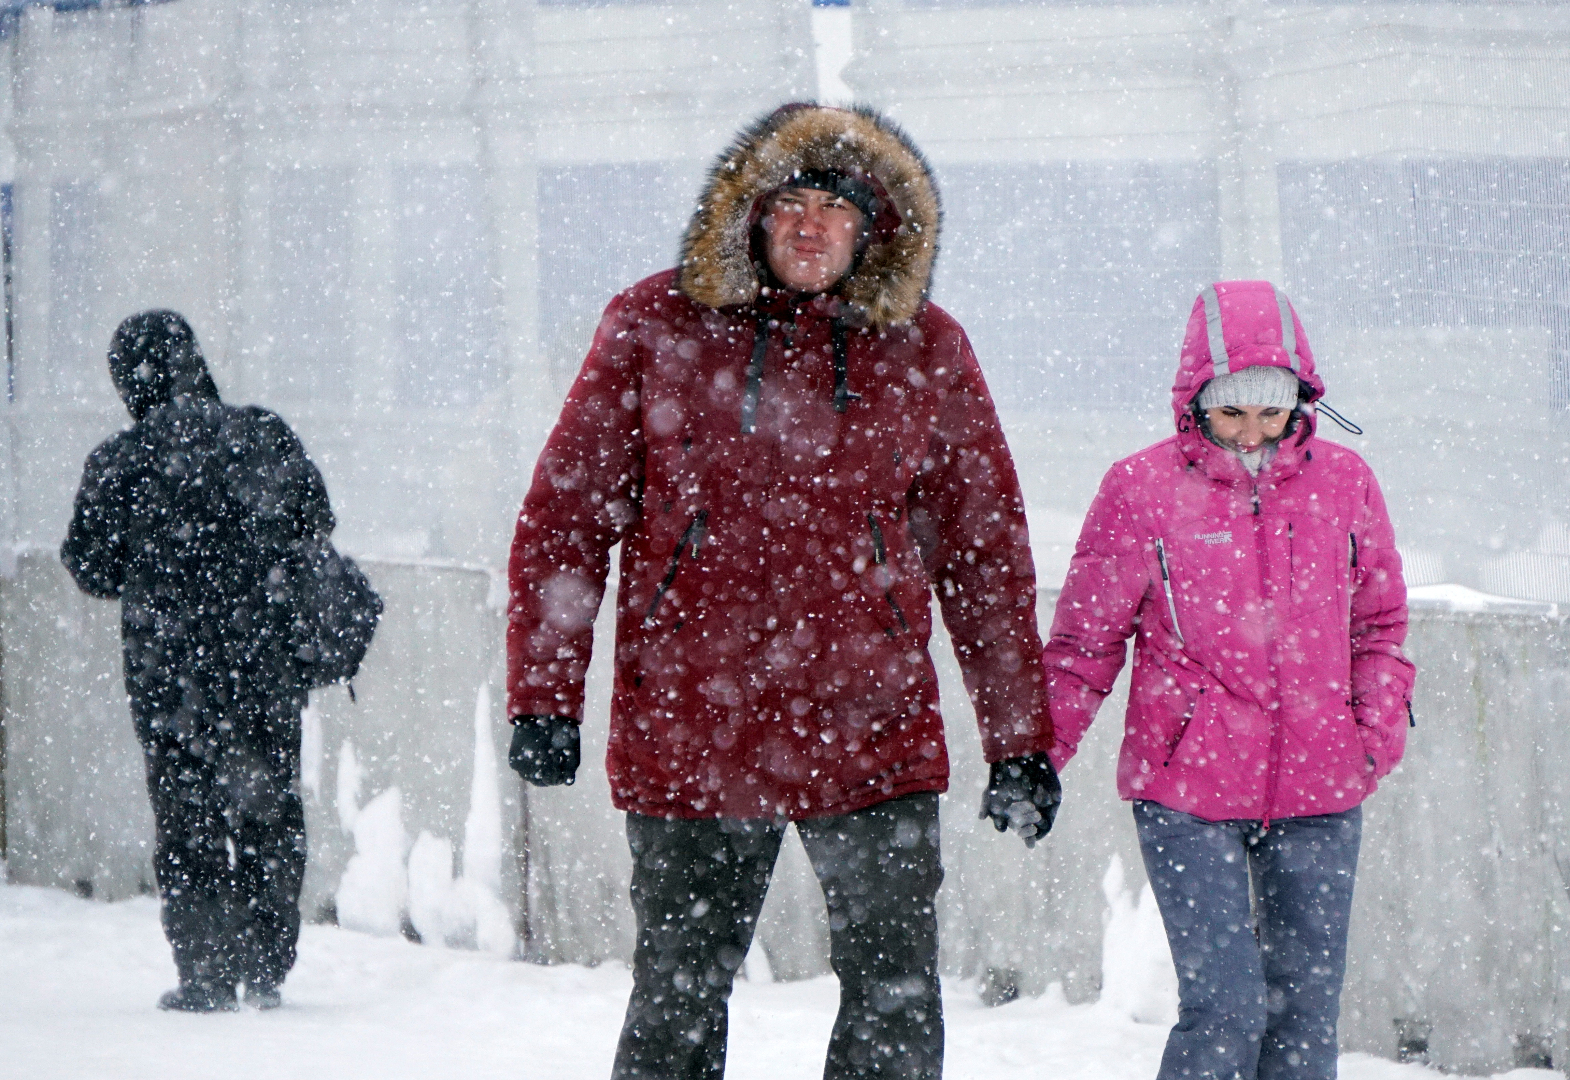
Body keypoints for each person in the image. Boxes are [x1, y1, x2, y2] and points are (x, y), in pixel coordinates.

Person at [502, 102, 1062, 1080]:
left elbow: (982, 554)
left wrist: (1018, 740)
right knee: (677, 995)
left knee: (894, 996)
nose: (812, 227)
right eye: (792, 203)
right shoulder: (655, 325)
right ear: (750, 213)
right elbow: (567, 519)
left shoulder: (925, 348)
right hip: (693, 728)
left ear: (874, 228)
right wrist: (543, 698)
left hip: (872, 729)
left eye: (837, 210)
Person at [1042, 281, 1416, 1080]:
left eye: (1271, 412)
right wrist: (1035, 755)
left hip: (1320, 787)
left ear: (1301, 401)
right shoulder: (1140, 489)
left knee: (1304, 1016)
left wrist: (1371, 735)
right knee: (1226, 1009)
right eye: (1231, 412)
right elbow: (1084, 642)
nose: (1251, 432)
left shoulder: (1345, 483)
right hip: (1186, 791)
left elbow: (1379, 627)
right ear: (1195, 403)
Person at [62, 310, 335, 1012]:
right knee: (269, 810)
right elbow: (315, 522)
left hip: (169, 677)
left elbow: (89, 567)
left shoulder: (120, 461)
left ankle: (205, 973)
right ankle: (266, 966)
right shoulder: (263, 434)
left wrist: (159, 563)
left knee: (188, 820)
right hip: (265, 666)